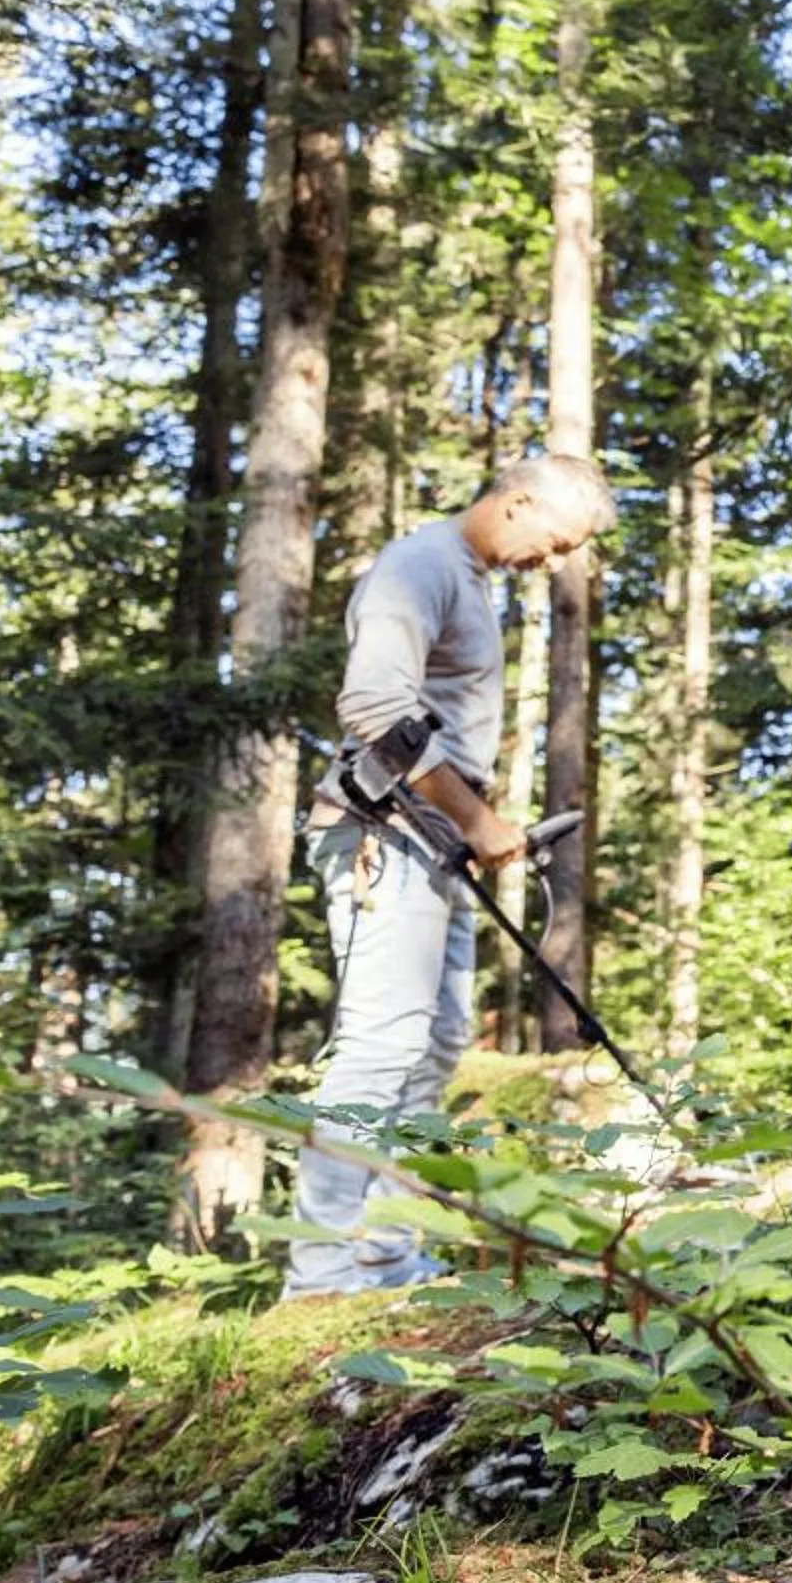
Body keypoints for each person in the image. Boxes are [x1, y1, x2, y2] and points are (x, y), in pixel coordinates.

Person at [284, 454, 616, 1300]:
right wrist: (478, 821)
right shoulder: (420, 565)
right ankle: (318, 1272)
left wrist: (471, 826)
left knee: (432, 1050)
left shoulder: (469, 580)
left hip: (436, 850)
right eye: (557, 542)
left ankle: (388, 1256)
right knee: (378, 1048)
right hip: (381, 836)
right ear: (520, 502)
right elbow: (372, 708)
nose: (552, 562)